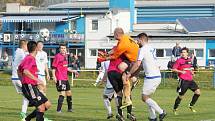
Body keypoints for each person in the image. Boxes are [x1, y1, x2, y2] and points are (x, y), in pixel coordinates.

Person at [98, 27, 139, 121]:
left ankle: (119, 114)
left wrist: (104, 56)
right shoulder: (124, 44)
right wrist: (106, 55)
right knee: (126, 92)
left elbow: (113, 54)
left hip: (111, 73)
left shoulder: (119, 46)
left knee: (118, 94)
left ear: (117, 35)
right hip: (119, 72)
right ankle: (129, 113)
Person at [126, 33, 166, 121]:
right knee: (147, 97)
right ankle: (153, 117)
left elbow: (138, 64)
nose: (137, 42)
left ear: (141, 40)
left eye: (137, 40)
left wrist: (129, 73)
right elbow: (142, 65)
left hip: (151, 77)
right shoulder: (151, 48)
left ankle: (161, 112)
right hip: (157, 76)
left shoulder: (142, 49)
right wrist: (135, 73)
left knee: (144, 98)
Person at [18, 41, 51, 121]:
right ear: (36, 48)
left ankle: (27, 119)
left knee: (47, 104)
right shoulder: (30, 58)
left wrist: (22, 79)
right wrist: (38, 80)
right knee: (41, 108)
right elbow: (25, 71)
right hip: (29, 86)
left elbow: (19, 70)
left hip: (32, 86)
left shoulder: (27, 57)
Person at [172, 47, 200, 115]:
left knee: (198, 92)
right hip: (183, 81)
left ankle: (191, 105)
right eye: (182, 52)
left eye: (184, 52)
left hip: (190, 80)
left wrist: (192, 72)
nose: (183, 53)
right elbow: (173, 69)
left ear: (187, 53)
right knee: (181, 96)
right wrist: (181, 71)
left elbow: (190, 68)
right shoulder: (179, 60)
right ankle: (175, 109)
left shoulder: (190, 60)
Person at [52, 43, 78, 113]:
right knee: (62, 93)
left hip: (65, 78)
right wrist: (54, 76)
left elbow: (65, 67)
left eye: (64, 48)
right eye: (61, 48)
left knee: (69, 93)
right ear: (59, 49)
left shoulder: (66, 56)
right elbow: (54, 68)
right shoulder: (57, 56)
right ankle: (58, 110)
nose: (63, 49)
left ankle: (70, 109)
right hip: (60, 78)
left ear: (66, 49)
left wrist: (73, 71)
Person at [11, 40, 29, 120]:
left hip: (15, 78)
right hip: (19, 79)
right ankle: (40, 115)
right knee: (33, 95)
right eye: (27, 45)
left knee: (26, 96)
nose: (28, 47)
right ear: (24, 45)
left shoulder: (17, 51)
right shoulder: (21, 52)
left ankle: (23, 114)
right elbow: (29, 59)